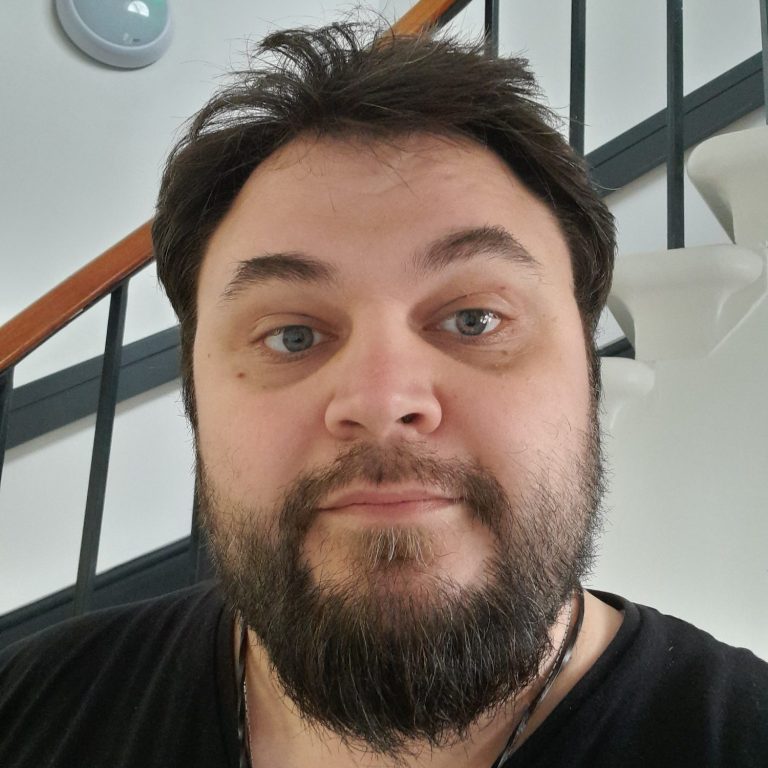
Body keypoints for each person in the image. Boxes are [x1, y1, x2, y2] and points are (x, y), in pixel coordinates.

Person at [1, 21, 766, 768]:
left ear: (588, 377)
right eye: (291, 335)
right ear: (194, 396)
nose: (380, 398)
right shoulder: (27, 708)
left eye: (474, 319)